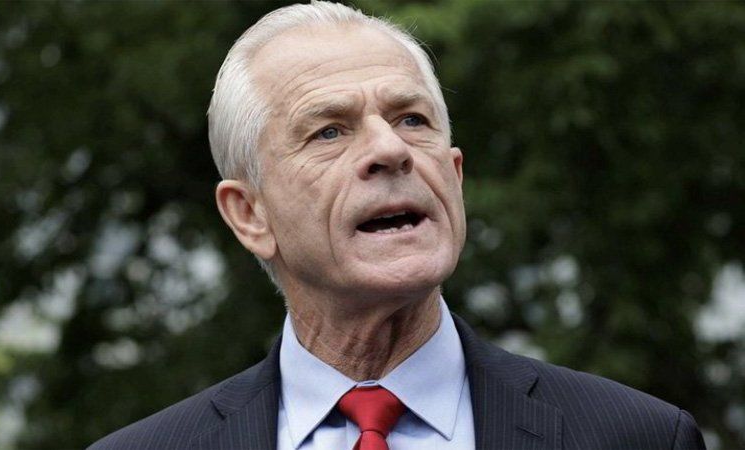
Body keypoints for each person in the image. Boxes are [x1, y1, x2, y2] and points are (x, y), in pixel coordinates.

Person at [90, 2, 706, 449]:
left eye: (412, 120)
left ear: (455, 176)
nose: (391, 150)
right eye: (329, 131)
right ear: (250, 214)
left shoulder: (641, 436)